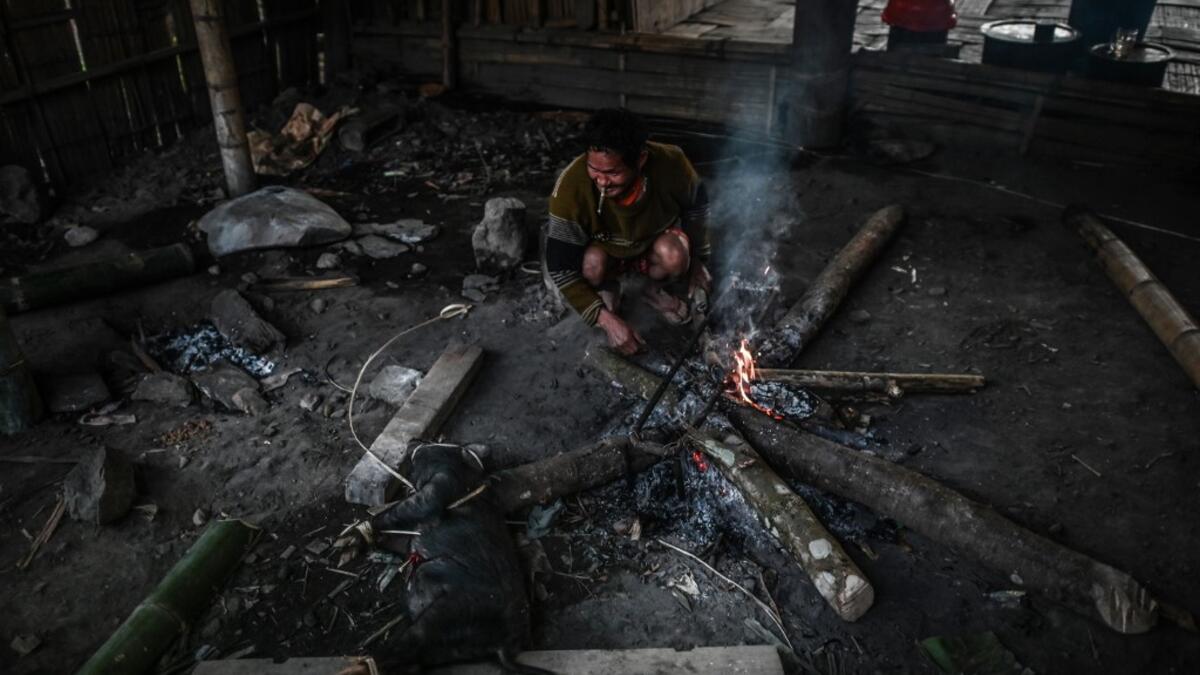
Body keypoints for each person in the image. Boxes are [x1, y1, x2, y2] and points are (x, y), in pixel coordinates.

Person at [545, 109, 712, 355]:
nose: (602, 181)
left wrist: (699, 260)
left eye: (613, 173)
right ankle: (608, 288)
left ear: (641, 159)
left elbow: (697, 205)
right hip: (605, 251)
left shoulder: (672, 163)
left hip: (651, 244)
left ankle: (652, 290)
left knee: (675, 256)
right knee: (590, 267)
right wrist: (605, 320)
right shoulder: (571, 188)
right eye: (595, 170)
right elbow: (560, 267)